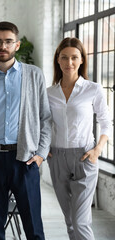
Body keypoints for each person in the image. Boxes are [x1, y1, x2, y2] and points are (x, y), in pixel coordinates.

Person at [0, 21, 52, 240]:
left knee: (33, 226)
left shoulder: (34, 75)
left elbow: (46, 119)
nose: (2, 46)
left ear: (16, 45)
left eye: (8, 41)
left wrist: (41, 154)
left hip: (25, 159)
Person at [47, 37, 111, 240]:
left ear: (82, 60)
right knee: (70, 221)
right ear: (57, 60)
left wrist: (97, 150)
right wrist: (44, 148)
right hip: (56, 157)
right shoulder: (49, 93)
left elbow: (106, 122)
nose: (69, 63)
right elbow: (43, 123)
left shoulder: (93, 89)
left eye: (74, 57)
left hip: (84, 156)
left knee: (80, 221)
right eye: (64, 57)